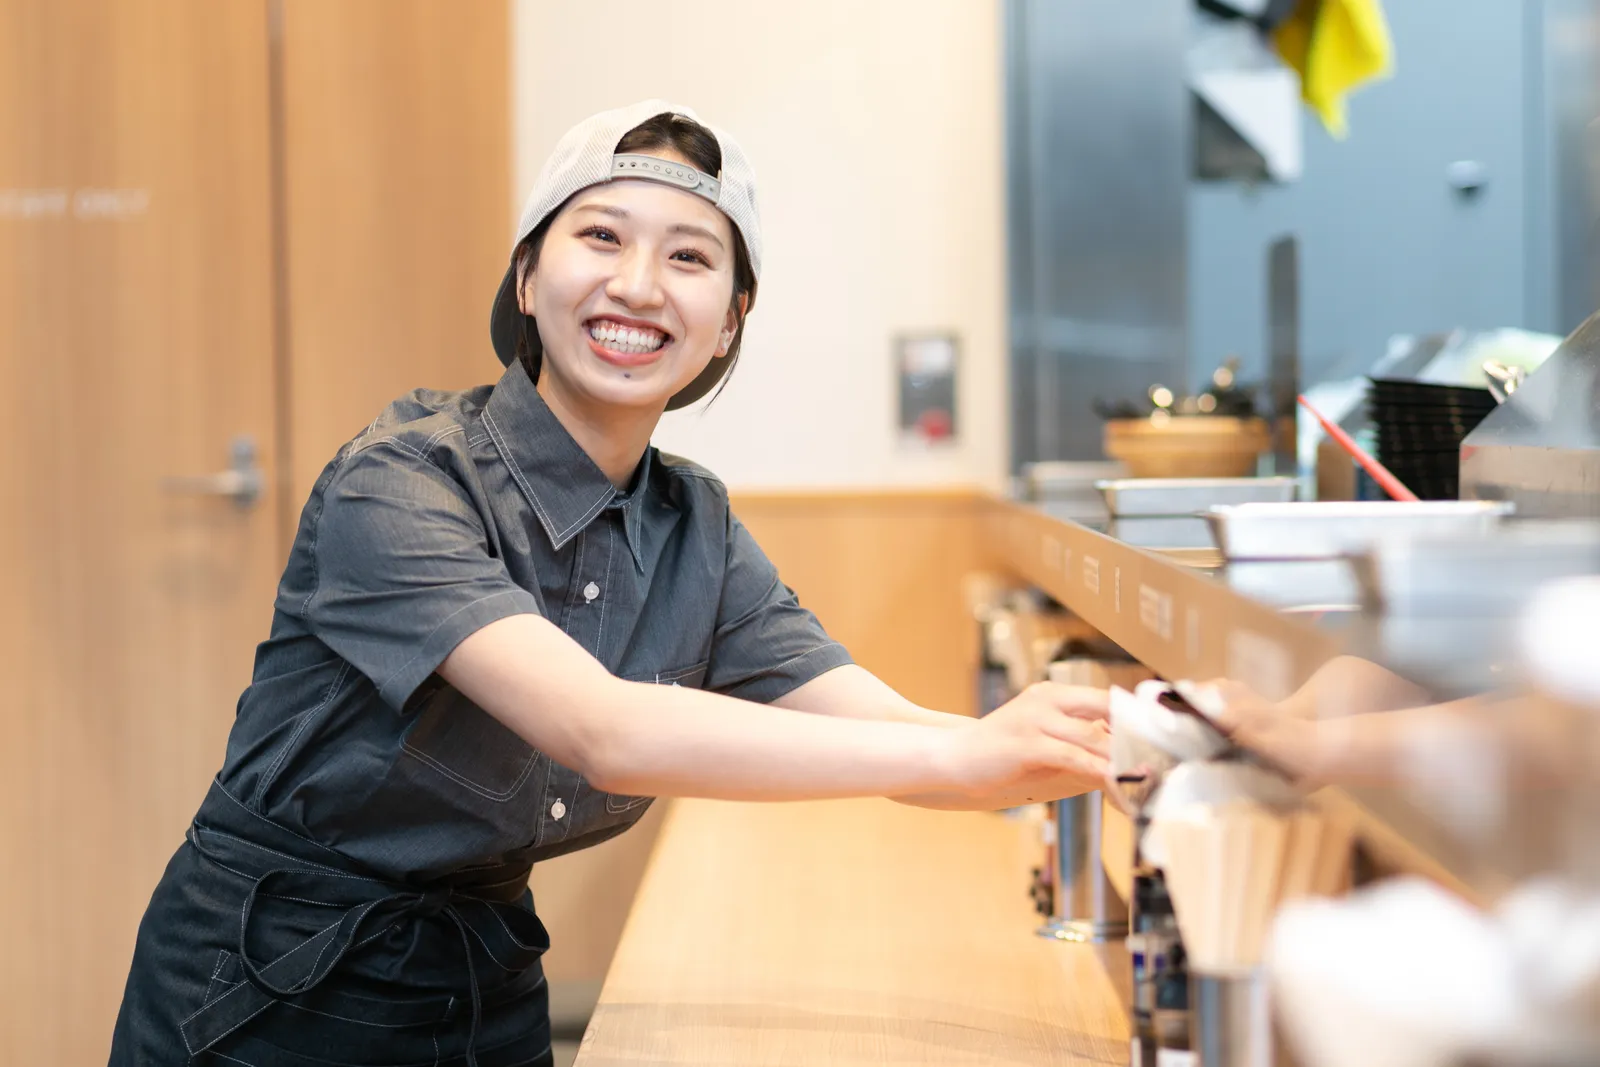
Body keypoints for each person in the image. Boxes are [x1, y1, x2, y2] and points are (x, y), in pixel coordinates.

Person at [109, 101, 1112, 1067]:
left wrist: (1066, 743)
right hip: (270, 988)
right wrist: (966, 755)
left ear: (731, 321)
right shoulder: (402, 480)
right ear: (526, 275)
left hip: (483, 975)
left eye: (689, 257)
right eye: (601, 236)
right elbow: (605, 731)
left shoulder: (692, 525)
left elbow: (889, 729)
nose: (637, 285)